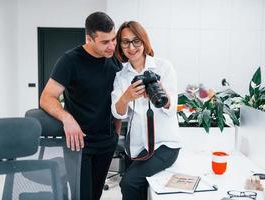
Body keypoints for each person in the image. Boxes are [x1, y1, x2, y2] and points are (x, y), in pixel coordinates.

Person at [40, 12, 121, 200]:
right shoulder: (70, 61)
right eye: (104, 42)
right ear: (89, 39)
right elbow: (46, 97)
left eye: (113, 39)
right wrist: (67, 118)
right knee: (81, 196)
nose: (111, 46)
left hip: (106, 143)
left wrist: (115, 133)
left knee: (95, 195)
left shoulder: (114, 58)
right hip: (79, 145)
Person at [111, 21, 182, 200]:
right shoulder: (121, 76)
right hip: (136, 147)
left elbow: (172, 106)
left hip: (164, 145)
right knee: (137, 189)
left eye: (136, 41)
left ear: (144, 42)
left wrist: (160, 94)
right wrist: (126, 97)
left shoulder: (163, 67)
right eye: (125, 42)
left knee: (129, 182)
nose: (131, 47)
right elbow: (117, 112)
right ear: (120, 45)